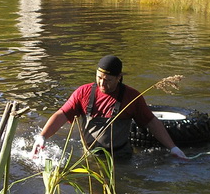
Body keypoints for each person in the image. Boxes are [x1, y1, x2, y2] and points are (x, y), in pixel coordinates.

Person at [31, 55, 188, 159]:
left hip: (120, 157)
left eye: (107, 80)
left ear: (119, 78)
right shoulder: (83, 93)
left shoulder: (132, 97)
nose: (102, 83)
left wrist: (173, 148)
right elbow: (62, 114)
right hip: (90, 155)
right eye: (99, 77)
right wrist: (42, 136)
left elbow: (151, 122)